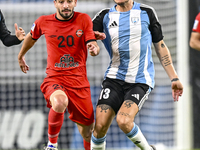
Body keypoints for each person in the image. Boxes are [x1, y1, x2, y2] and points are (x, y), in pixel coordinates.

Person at [91, 0, 183, 150]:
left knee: (124, 121)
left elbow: (160, 46)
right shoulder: (104, 16)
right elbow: (87, 38)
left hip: (139, 80)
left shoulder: (146, 12)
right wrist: (92, 46)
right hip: (113, 79)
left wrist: (174, 78)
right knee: (100, 126)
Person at [17, 0, 100, 150]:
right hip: (55, 78)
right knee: (60, 102)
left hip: (79, 82)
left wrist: (94, 49)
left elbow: (93, 43)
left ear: (75, 2)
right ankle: (51, 145)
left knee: (88, 133)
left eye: (69, 1)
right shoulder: (43, 21)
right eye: (61, 2)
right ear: (55, 3)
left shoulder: (84, 19)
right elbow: (31, 37)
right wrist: (21, 55)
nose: (66, 6)